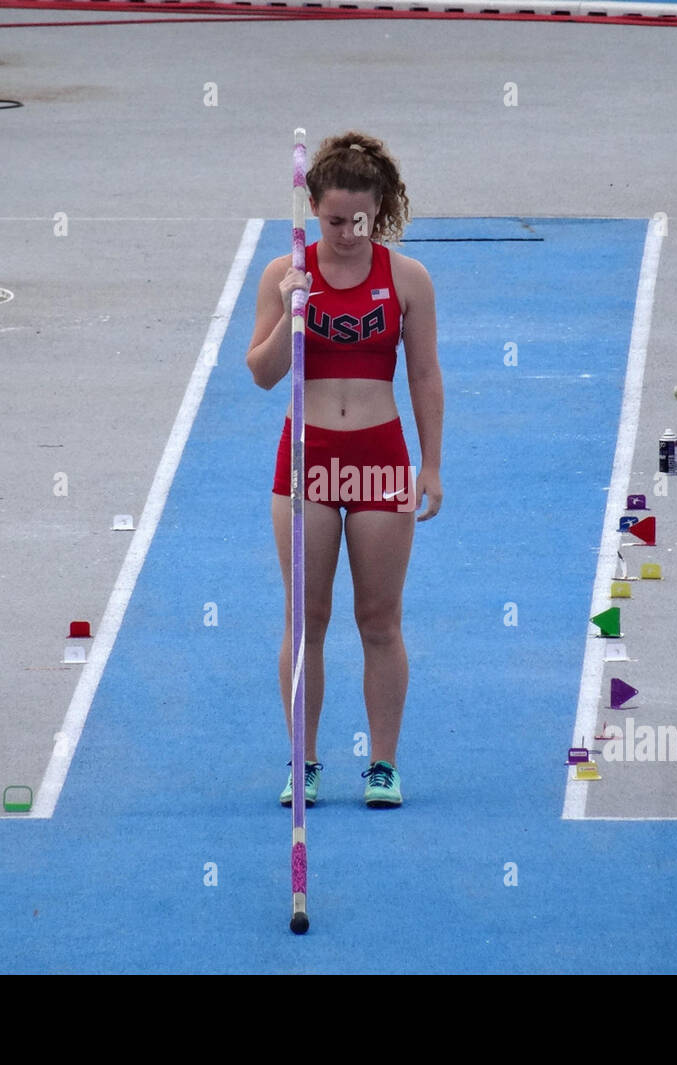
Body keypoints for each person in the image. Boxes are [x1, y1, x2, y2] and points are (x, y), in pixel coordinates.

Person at [246, 132, 444, 806]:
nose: (349, 232)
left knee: (380, 618)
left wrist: (432, 465)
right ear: (313, 209)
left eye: (361, 219)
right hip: (306, 460)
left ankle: (382, 764)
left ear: (380, 210)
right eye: (334, 220)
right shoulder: (284, 272)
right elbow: (262, 375)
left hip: (380, 458)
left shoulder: (407, 279)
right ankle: (303, 761)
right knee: (307, 617)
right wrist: (292, 311)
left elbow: (423, 375)